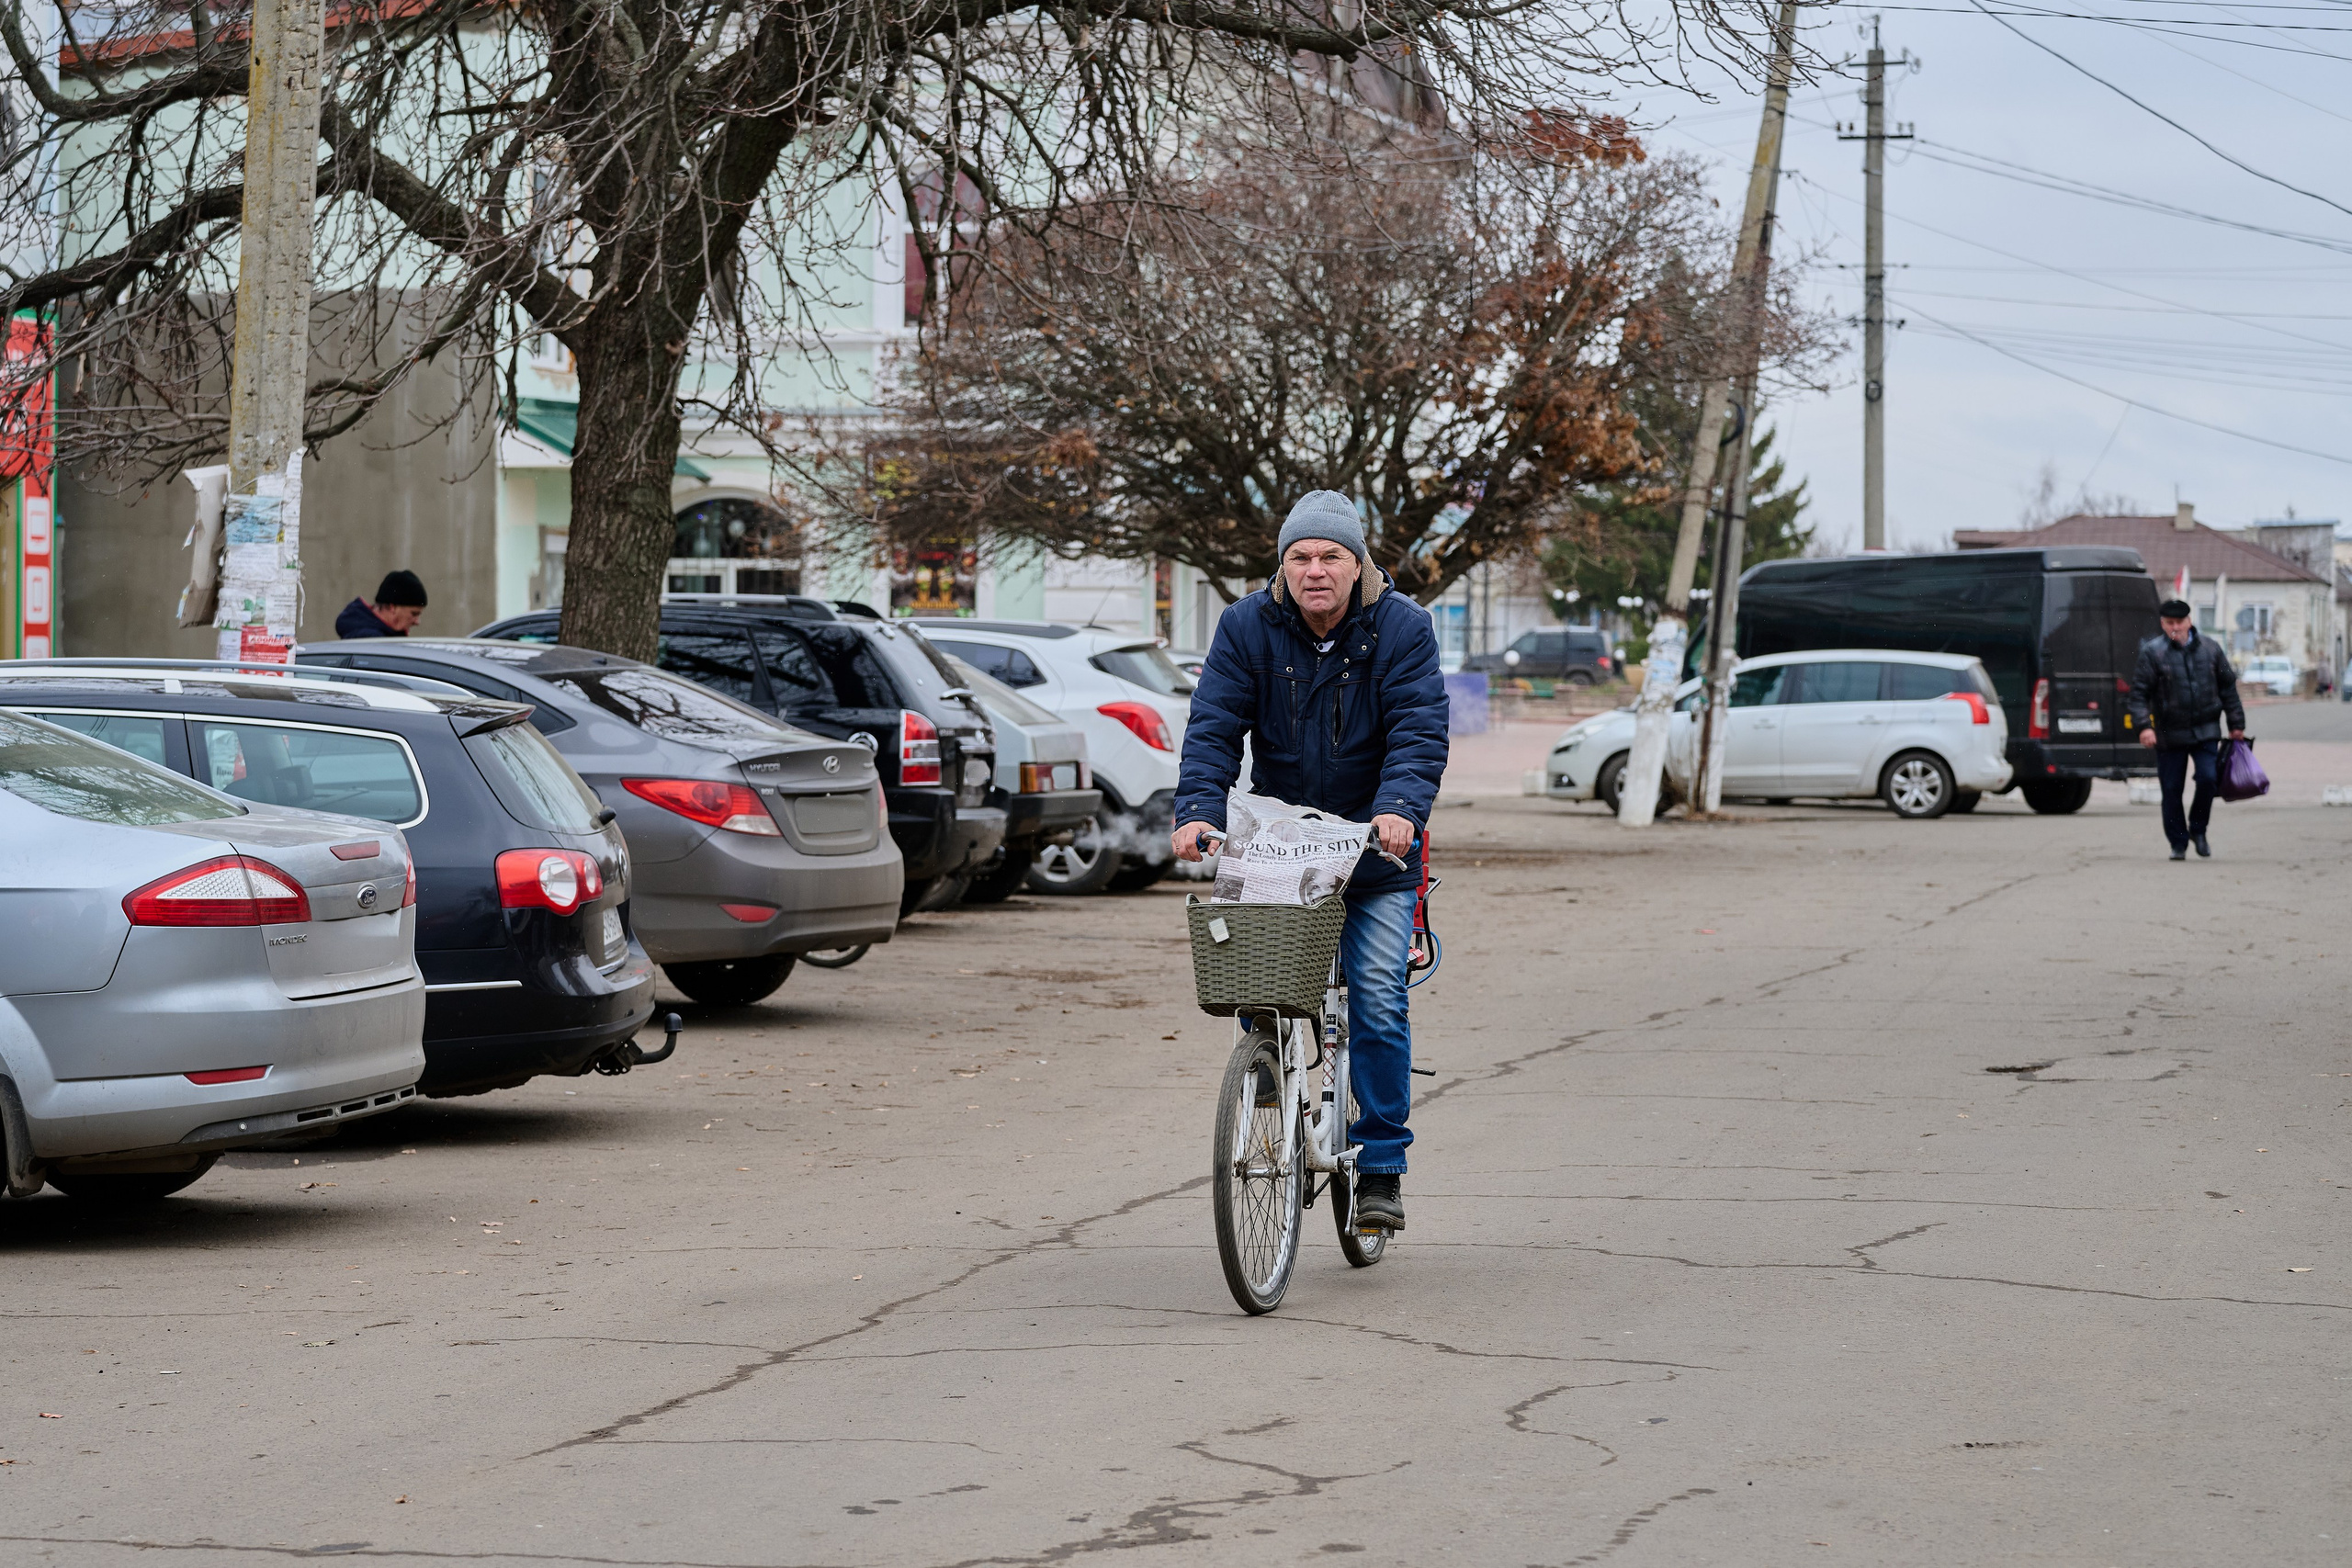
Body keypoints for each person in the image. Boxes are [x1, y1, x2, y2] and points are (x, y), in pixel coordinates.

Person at [1172, 491, 1448, 1233]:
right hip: (1282, 843)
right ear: (1283, 563)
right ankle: (1268, 1080)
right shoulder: (1246, 627)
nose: (1314, 570)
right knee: (1258, 979)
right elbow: (1213, 728)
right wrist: (1197, 811)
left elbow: (1419, 733)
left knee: (1380, 998)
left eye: (1330, 556)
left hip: (1375, 852)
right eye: (1300, 556)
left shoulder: (1402, 628)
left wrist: (1400, 812)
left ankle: (1382, 1164)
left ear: (1358, 564)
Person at [2127, 598, 2245, 861]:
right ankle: (2178, 842)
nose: (2175, 628)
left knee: (2208, 779)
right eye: (2169, 623)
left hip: (2205, 729)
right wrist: (2144, 727)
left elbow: (2228, 687)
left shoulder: (2211, 649)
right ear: (2162, 624)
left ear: (2189, 622)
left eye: (2179, 622)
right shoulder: (2153, 652)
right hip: (2169, 732)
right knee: (2171, 788)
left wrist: (2236, 724)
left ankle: (2198, 829)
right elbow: (2138, 695)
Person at [335, 570, 428, 638]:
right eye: (414, 614)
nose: (417, 622)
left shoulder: (375, 639)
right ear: (393, 608)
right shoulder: (371, 643)